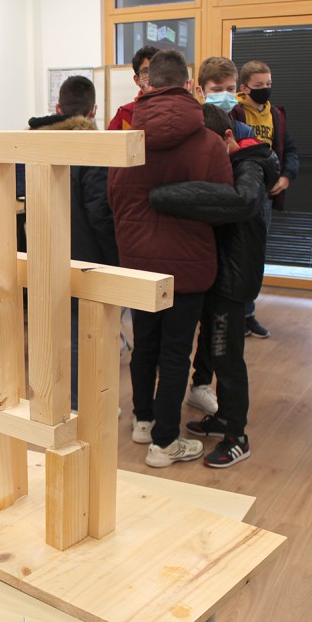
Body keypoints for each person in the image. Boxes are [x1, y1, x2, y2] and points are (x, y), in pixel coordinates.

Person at [108, 49, 234, 468]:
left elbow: (114, 200)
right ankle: (165, 442)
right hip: (189, 264)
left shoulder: (126, 140)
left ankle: (143, 421)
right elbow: (222, 207)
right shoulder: (210, 144)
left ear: (148, 84)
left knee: (144, 346)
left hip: (138, 262)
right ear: (188, 85)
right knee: (176, 353)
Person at [149, 104, 280, 467]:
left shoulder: (250, 164)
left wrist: (164, 195)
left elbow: (242, 202)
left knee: (227, 356)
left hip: (233, 281)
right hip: (218, 274)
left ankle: (237, 436)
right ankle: (224, 418)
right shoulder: (232, 163)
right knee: (213, 349)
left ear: (227, 137)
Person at [27, 76, 118, 410]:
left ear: (57, 108)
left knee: (51, 331)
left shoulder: (34, 144)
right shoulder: (90, 149)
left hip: (43, 254)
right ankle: (82, 407)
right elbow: (100, 213)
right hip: (85, 258)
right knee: (85, 334)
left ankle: (53, 401)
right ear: (93, 111)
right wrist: (115, 259)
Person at [187, 56, 257, 415]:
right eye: (218, 89)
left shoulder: (244, 132)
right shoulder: (190, 129)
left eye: (231, 89)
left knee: (219, 330)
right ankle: (196, 386)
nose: (226, 95)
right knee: (193, 320)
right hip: (196, 238)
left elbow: (247, 192)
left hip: (231, 244)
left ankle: (204, 386)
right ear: (201, 90)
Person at [230, 60, 299, 339]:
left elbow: (290, 150)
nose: (265, 89)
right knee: (236, 252)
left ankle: (248, 314)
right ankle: (233, 313)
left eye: (268, 84)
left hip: (266, 196)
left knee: (256, 254)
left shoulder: (276, 115)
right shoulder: (234, 113)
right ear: (245, 88)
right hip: (239, 193)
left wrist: (286, 177)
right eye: (259, 85)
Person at [107, 45, 158, 131]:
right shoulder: (125, 114)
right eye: (146, 72)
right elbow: (110, 139)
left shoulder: (174, 110)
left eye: (158, 71)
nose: (153, 77)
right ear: (137, 80)